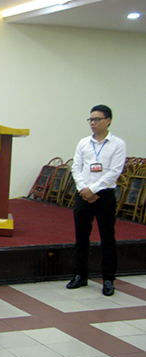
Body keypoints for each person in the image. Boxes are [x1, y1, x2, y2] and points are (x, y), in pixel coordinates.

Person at [67, 104, 126, 296]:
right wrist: (83, 189)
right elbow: (76, 168)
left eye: (97, 119)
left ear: (108, 121)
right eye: (91, 119)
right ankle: (80, 275)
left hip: (104, 195)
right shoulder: (84, 143)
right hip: (83, 194)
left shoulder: (117, 144)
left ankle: (108, 279)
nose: (93, 123)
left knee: (107, 237)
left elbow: (114, 172)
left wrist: (92, 189)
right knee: (81, 236)